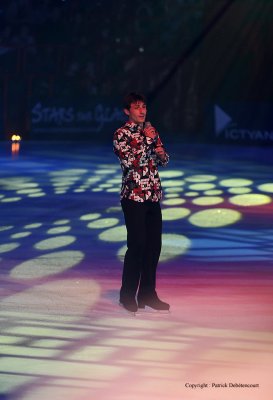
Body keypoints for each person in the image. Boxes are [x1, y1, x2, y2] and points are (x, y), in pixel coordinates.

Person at [113, 92, 170, 313]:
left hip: (152, 195)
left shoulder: (151, 131)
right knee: (136, 245)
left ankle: (147, 293)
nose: (142, 111)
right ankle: (127, 294)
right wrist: (148, 140)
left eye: (144, 106)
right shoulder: (121, 134)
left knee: (154, 246)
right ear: (127, 111)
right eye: (137, 107)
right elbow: (131, 161)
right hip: (133, 196)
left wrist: (158, 147)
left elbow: (163, 160)